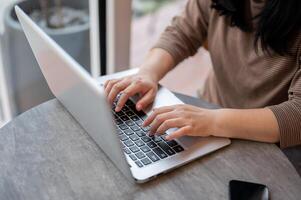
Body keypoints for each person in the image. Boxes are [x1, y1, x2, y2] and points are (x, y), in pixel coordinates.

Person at [104, 0, 301, 148]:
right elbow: (182, 31)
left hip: (267, 140)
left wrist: (213, 121)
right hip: (207, 110)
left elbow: (297, 115)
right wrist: (147, 73)